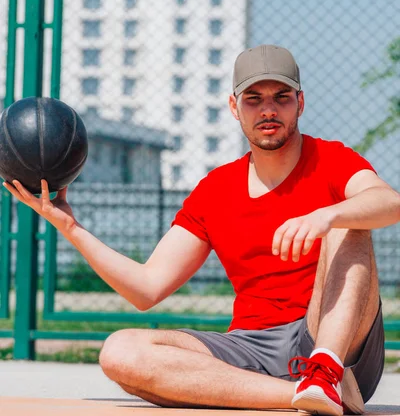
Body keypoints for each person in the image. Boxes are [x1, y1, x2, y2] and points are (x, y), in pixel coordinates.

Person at [4, 44, 400, 416]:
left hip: (330, 336)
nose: (268, 110)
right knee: (120, 351)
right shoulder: (216, 189)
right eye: (253, 99)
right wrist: (69, 226)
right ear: (234, 106)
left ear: (300, 103)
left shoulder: (331, 159)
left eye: (281, 97)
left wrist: (326, 216)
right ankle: (305, 394)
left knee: (352, 221)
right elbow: (146, 287)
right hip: (251, 347)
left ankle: (326, 373)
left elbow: (389, 204)